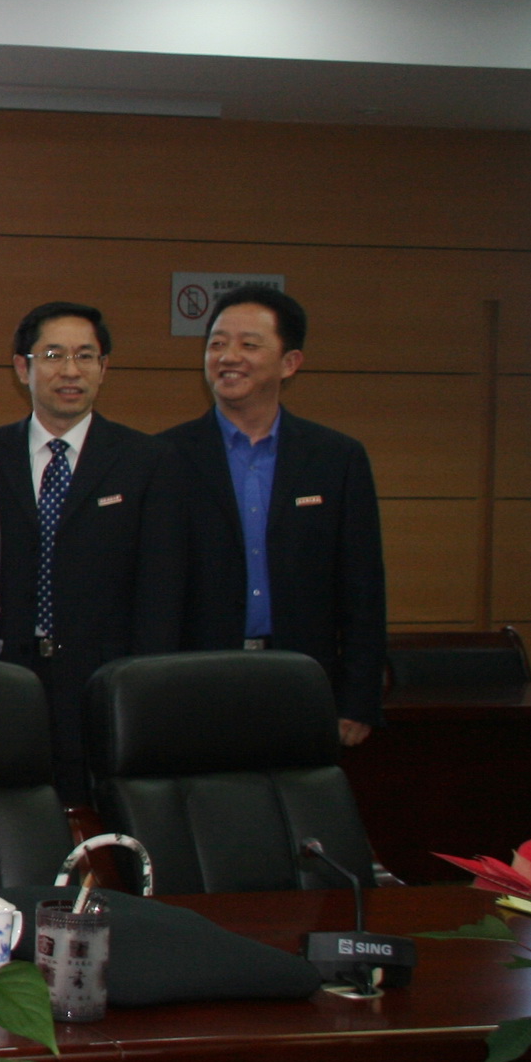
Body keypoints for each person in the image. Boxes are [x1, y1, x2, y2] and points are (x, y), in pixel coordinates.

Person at [159, 286, 386, 745]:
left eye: (249, 344)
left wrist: (358, 698)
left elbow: (362, 587)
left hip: (303, 681)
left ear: (289, 363)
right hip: (194, 683)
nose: (228, 357)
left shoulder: (336, 458)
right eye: (217, 344)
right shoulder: (164, 457)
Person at [0, 301, 184, 799]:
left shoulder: (147, 461)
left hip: (106, 680)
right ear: (22, 367)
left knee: (105, 814)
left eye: (85, 356)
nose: (70, 371)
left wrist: (148, 686)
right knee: (14, 811)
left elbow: (161, 589)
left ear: (104, 368)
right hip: (8, 677)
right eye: (53, 355)